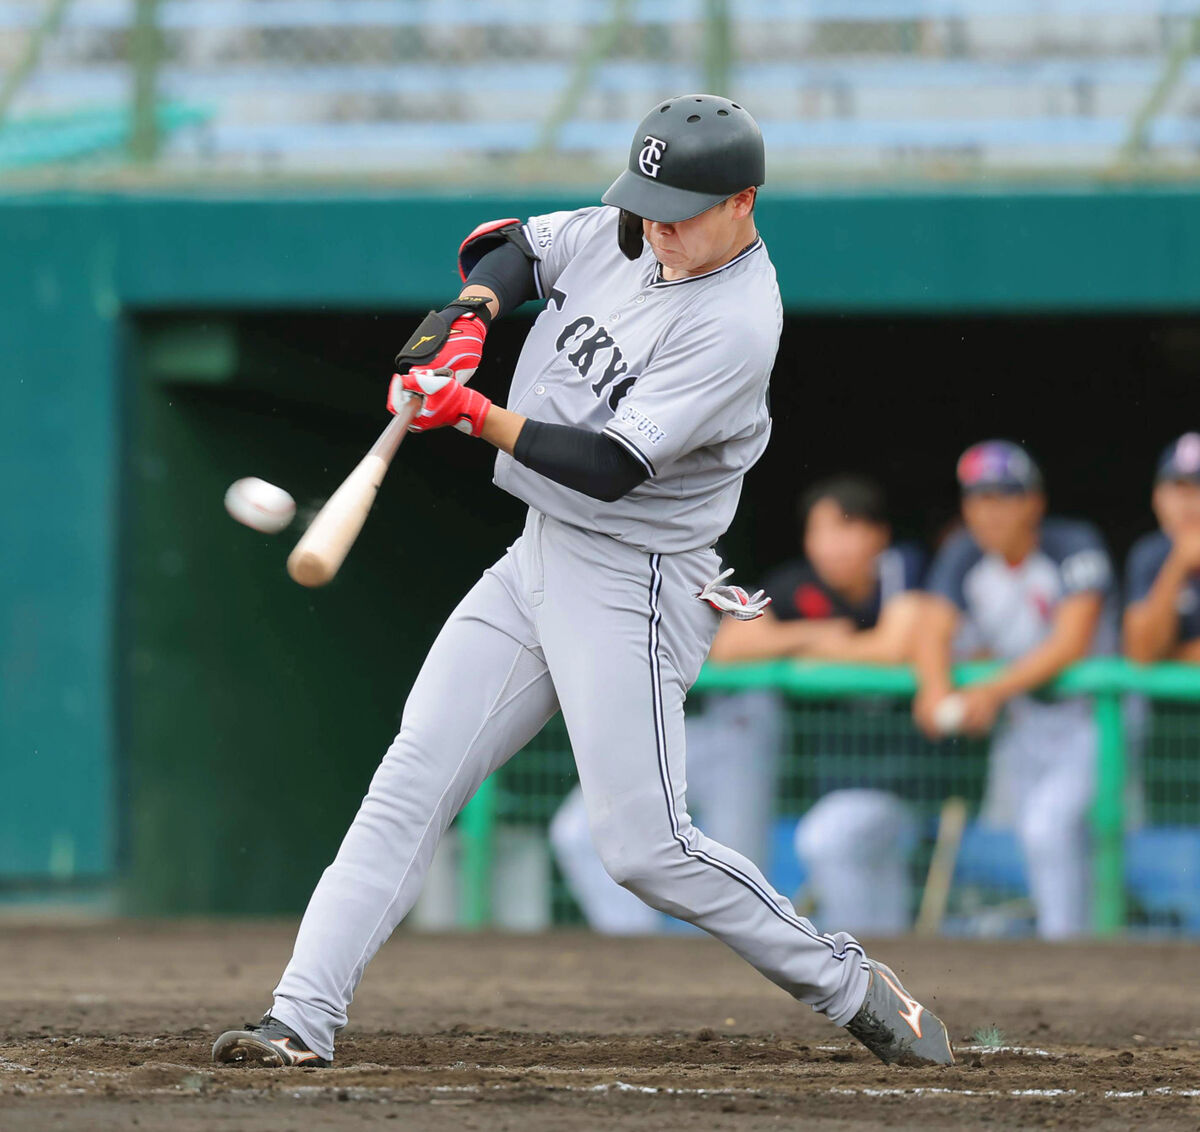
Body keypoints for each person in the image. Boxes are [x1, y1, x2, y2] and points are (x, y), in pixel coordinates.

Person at [212, 95, 952, 1070]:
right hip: (540, 556)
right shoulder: (629, 229)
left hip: (638, 580)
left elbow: (608, 465)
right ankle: (298, 1021)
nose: (655, 227)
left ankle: (850, 982)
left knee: (646, 849)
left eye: (680, 209)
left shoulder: (735, 322)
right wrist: (474, 313)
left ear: (744, 202)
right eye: (647, 201)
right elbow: (510, 243)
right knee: (411, 781)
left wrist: (469, 411)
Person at [912, 440, 1117, 939]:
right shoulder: (964, 552)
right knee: (1032, 836)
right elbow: (931, 629)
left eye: (1003, 496)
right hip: (1025, 719)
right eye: (978, 497)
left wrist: (989, 691)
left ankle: (1076, 957)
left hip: (1096, 720)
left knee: (1064, 831)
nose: (989, 510)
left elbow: (1070, 643)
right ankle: (1068, 955)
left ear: (1034, 502)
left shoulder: (1073, 542)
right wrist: (934, 689)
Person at [1124, 432, 1200, 663]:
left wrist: (1173, 657)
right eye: (1178, 487)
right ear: (1157, 498)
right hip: (1169, 702)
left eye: (1198, 487)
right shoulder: (1149, 554)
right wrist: (1177, 565)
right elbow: (1142, 654)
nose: (1188, 501)